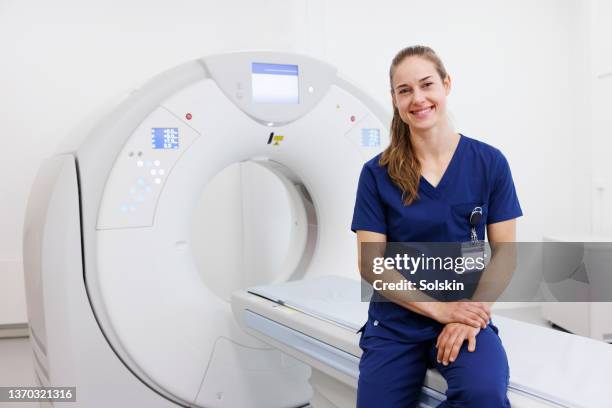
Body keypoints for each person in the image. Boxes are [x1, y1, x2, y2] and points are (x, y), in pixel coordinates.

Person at [351, 45, 522, 407]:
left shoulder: (489, 162)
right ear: (395, 100)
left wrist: (467, 316)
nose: (418, 98)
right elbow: (370, 262)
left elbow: (506, 251)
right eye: (405, 90)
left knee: (484, 396)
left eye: (427, 84)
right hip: (397, 320)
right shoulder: (376, 173)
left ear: (446, 84)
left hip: (465, 309)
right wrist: (439, 310)